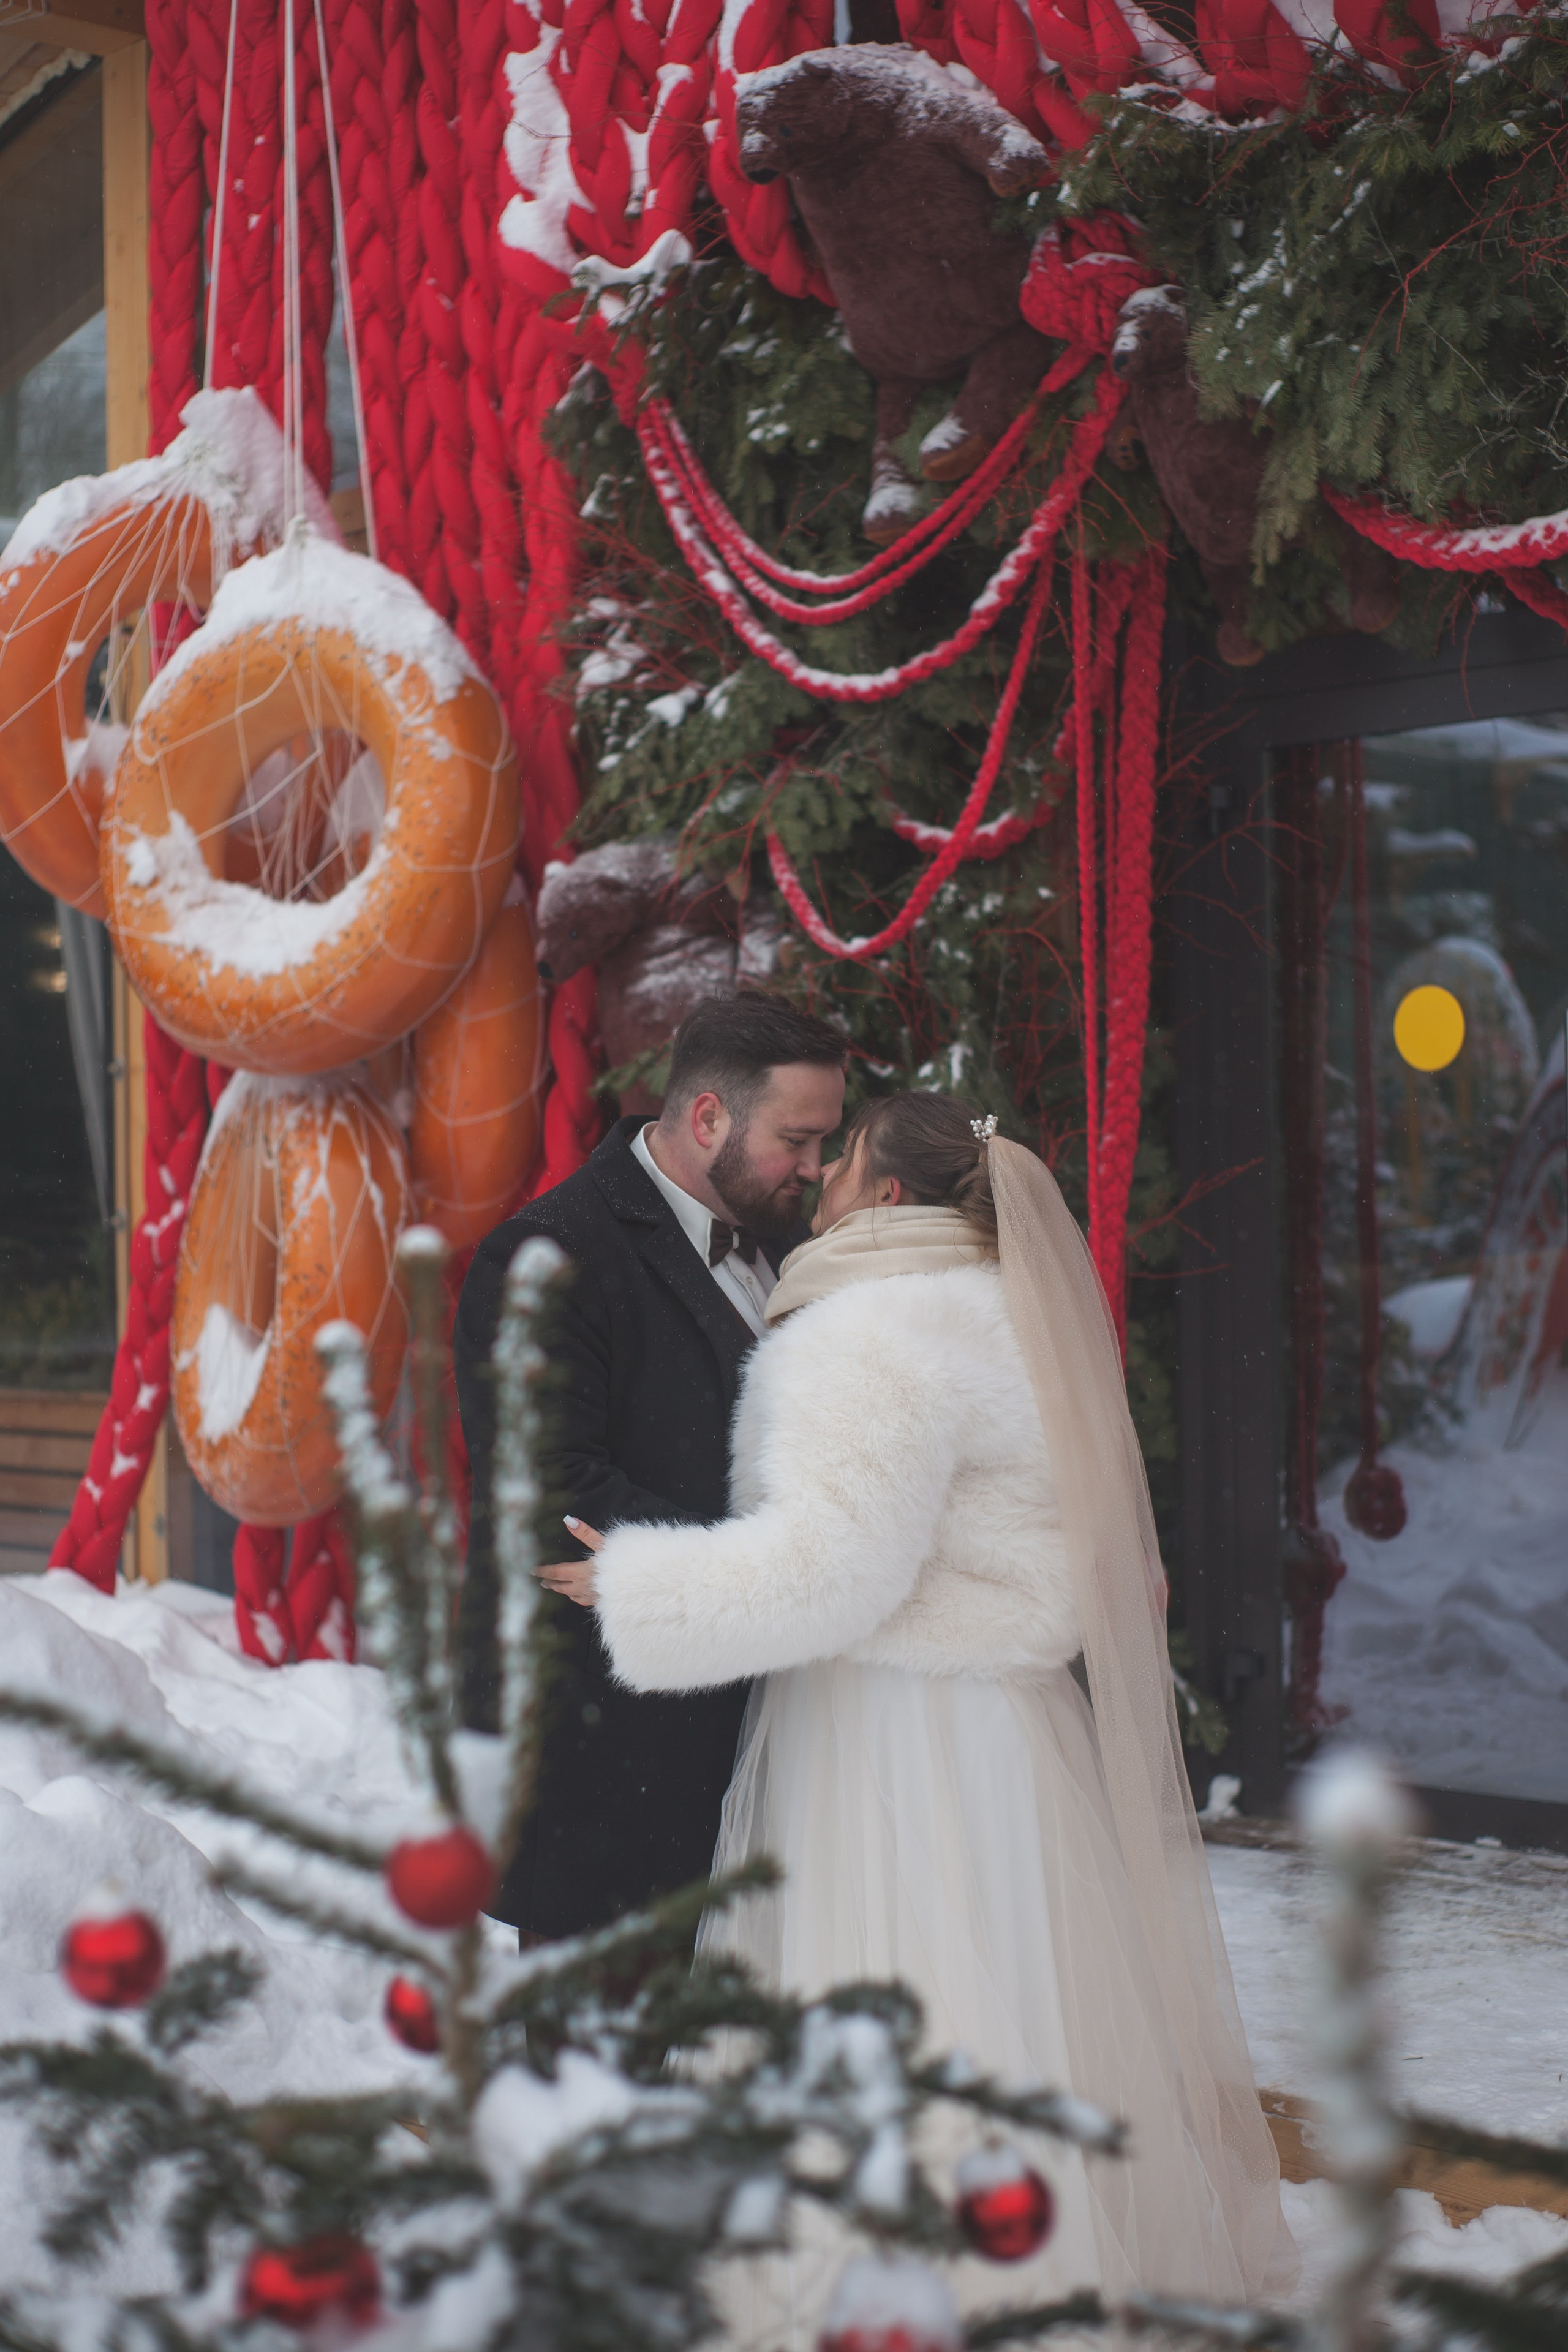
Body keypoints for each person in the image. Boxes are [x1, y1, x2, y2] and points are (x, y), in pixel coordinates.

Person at [573, 1094, 1296, 2311]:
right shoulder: (1015, 1318)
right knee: (1011, 2012)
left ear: (888, 1194)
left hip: (892, 1726)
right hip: (1005, 1726)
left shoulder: (870, 1330)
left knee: (902, 2010)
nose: (818, 1179)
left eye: (841, 1159)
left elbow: (834, 1569)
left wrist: (636, 1584)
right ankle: (1041, 2276)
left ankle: (925, 2297)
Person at [454, 990, 846, 1939]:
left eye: (825, 1141)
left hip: (764, 1747)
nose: (816, 1167)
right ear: (709, 1117)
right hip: (611, 1757)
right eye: (796, 1140)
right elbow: (552, 1494)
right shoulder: (547, 1254)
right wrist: (777, 1573)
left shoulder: (793, 1243)